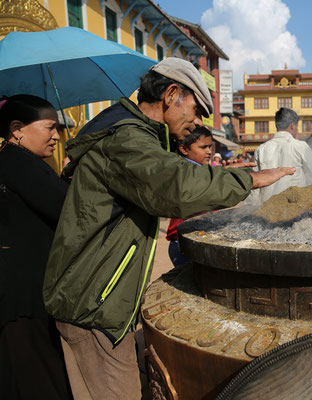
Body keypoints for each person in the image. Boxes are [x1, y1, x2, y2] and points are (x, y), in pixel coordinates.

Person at [42, 57, 294, 400]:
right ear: (171, 94)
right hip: (94, 305)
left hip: (100, 298)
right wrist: (248, 179)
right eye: (195, 108)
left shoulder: (137, 137)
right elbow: (175, 185)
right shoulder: (126, 140)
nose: (197, 121)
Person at [0, 95, 72, 399]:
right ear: (17, 129)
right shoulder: (19, 162)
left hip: (18, 293)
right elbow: (66, 209)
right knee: (40, 380)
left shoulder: (14, 161)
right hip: (25, 297)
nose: (56, 136)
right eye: (50, 128)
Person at [166, 126, 214, 267]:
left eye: (210, 147)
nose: (209, 151)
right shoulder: (186, 172)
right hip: (183, 243)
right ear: (184, 149)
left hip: (191, 239)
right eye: (203, 147)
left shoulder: (200, 170)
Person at [255, 107, 312, 202]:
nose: (297, 130)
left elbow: (254, 182)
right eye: (297, 127)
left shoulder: (261, 149)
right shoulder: (300, 146)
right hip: (295, 208)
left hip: (268, 210)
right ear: (292, 125)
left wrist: (252, 208)